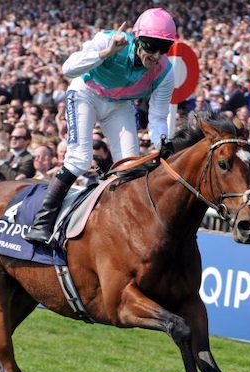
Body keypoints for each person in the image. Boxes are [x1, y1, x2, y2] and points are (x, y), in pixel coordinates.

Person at [26, 8, 177, 245]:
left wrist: (164, 146)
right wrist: (107, 53)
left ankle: (118, 228)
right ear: (137, 40)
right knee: (80, 159)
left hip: (119, 105)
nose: (157, 55)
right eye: (151, 45)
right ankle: (41, 223)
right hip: (86, 92)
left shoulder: (166, 73)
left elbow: (157, 118)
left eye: (164, 48)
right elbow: (68, 69)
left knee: (129, 166)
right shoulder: (108, 39)